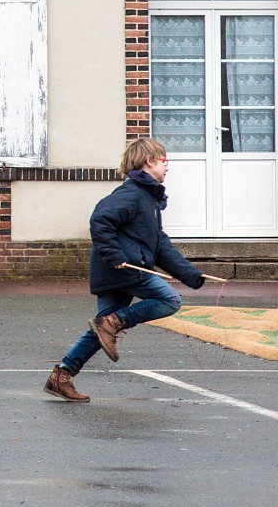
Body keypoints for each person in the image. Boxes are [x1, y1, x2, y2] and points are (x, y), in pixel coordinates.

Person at [44, 136, 206, 402]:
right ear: (149, 161)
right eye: (164, 161)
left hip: (116, 270)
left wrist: (191, 274)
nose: (167, 167)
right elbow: (100, 220)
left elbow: (159, 245)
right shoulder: (132, 194)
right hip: (123, 268)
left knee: (101, 329)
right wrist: (115, 255)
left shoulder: (149, 199)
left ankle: (62, 375)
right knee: (170, 300)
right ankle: (115, 322)